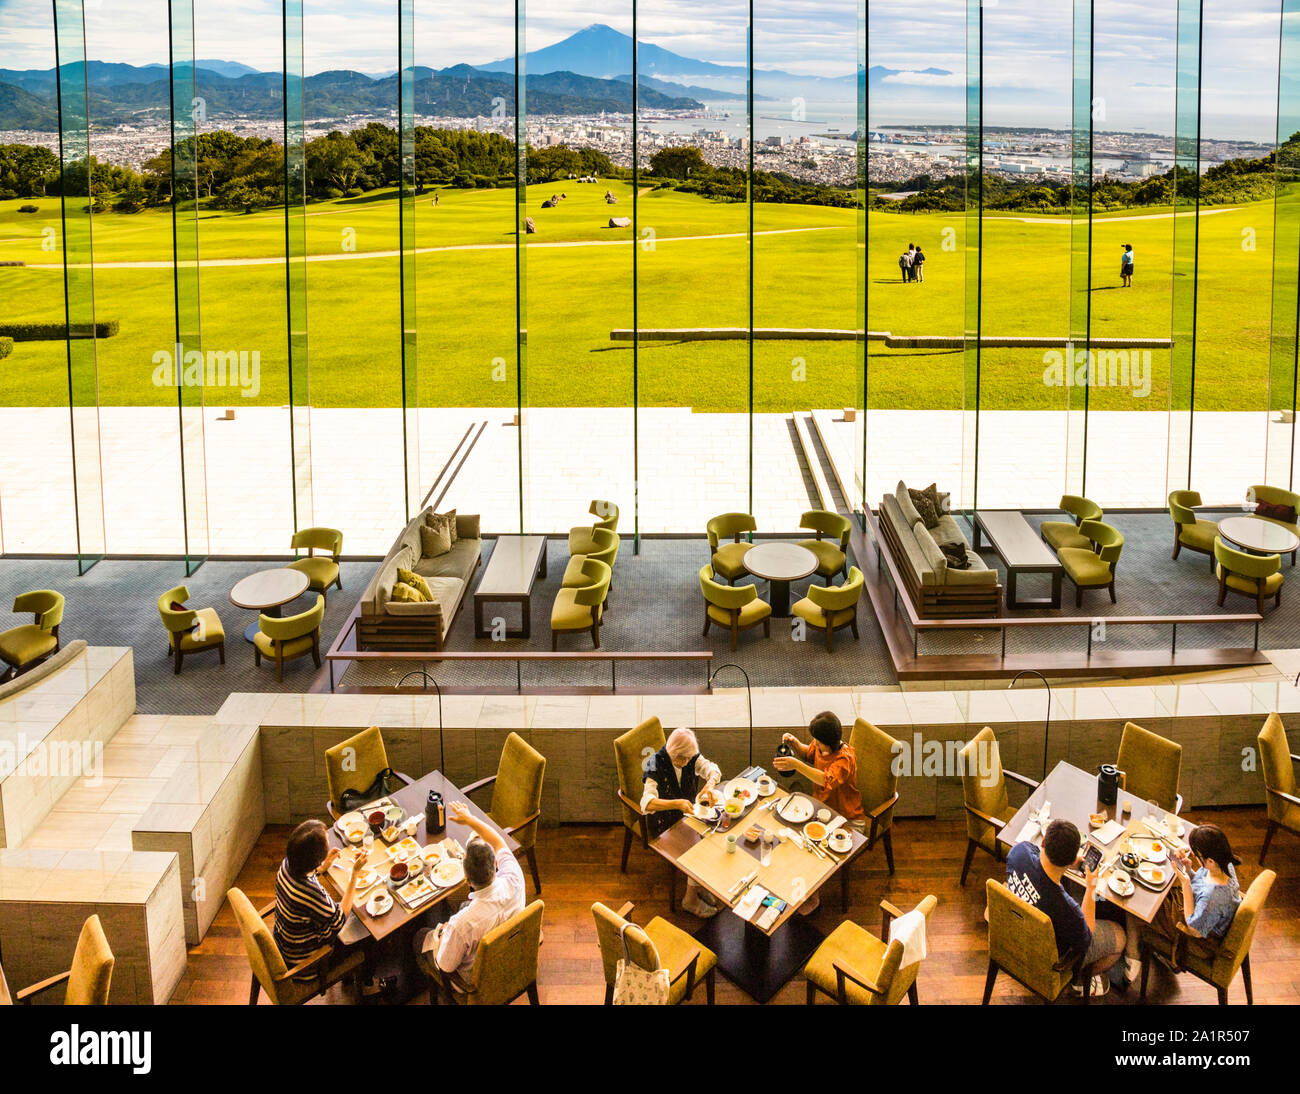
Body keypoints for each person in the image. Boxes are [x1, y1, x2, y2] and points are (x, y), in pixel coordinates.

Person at [1004, 819, 1125, 997]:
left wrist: (1070, 862)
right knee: (1120, 936)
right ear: (1070, 859)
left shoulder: (1018, 852)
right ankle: (1078, 982)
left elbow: (1035, 853)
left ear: (1044, 841)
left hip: (1016, 932)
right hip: (1050, 958)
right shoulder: (1068, 911)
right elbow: (1087, 937)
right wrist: (1091, 888)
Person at [414, 801, 526, 988]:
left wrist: (442, 934)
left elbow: (446, 966)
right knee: (462, 909)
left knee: (419, 936)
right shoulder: (515, 877)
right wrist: (470, 819)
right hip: (511, 956)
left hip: (476, 981)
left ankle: (417, 984)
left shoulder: (461, 925)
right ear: (496, 865)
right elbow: (499, 841)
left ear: (467, 880)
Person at [1120, 823, 1243, 981]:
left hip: (1197, 939)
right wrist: (1189, 869)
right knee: (1155, 891)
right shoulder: (1226, 864)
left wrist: (1185, 883)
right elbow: (1202, 884)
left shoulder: (1212, 897)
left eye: (1197, 855)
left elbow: (1193, 929)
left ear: (1210, 861)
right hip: (1204, 914)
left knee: (1136, 904)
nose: (1194, 856)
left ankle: (1133, 958)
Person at [641, 727, 722, 918]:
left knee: (715, 832)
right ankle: (690, 900)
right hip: (665, 823)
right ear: (672, 753)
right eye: (683, 760)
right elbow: (646, 803)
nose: (687, 764)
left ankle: (698, 883)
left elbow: (713, 769)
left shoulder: (689, 757)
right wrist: (676, 804)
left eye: (689, 759)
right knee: (699, 847)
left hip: (688, 815)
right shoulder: (654, 764)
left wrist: (709, 785)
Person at [273, 819, 367, 975]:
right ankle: (366, 978)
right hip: (309, 962)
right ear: (313, 859)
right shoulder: (312, 892)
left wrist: (322, 866)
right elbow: (339, 921)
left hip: (286, 945)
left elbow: (305, 874)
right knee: (370, 931)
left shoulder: (287, 865)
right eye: (327, 840)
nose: (329, 841)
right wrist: (355, 874)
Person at [775, 712, 866, 830]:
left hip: (847, 820)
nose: (815, 742)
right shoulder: (820, 746)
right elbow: (808, 754)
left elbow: (826, 780)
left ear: (830, 742)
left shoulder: (844, 760)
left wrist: (796, 765)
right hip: (823, 811)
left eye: (818, 741)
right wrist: (795, 743)